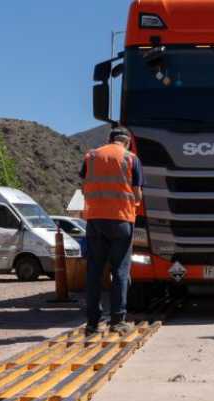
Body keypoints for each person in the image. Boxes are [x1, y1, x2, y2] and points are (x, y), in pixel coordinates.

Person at [80, 127, 143, 336]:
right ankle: (117, 321)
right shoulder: (130, 158)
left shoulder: (91, 156)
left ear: (109, 139)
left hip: (95, 220)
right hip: (121, 221)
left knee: (95, 272)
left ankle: (91, 323)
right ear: (127, 142)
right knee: (120, 272)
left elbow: (84, 186)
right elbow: (137, 194)